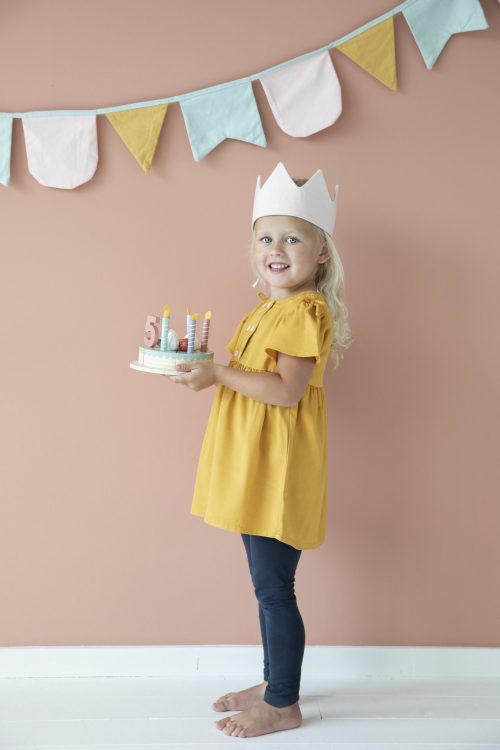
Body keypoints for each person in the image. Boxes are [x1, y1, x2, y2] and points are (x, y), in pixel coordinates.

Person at [169, 161, 352, 739]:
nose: (277, 248)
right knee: (266, 585)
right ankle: (276, 680)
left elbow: (287, 389)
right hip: (258, 464)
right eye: (266, 237)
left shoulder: (302, 310)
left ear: (321, 252)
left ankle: (284, 703)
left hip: (277, 469)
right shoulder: (269, 308)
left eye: (293, 238)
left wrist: (216, 375)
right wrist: (207, 372)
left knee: (275, 589)